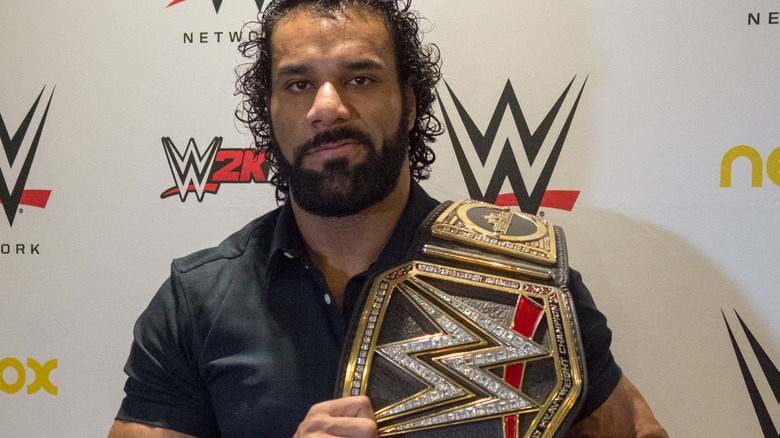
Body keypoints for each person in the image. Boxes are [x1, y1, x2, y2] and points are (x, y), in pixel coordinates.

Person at [108, 0, 668, 437]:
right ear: (269, 112)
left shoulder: (520, 272)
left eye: (360, 78)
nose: (327, 106)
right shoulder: (198, 298)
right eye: (299, 83)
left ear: (410, 100)